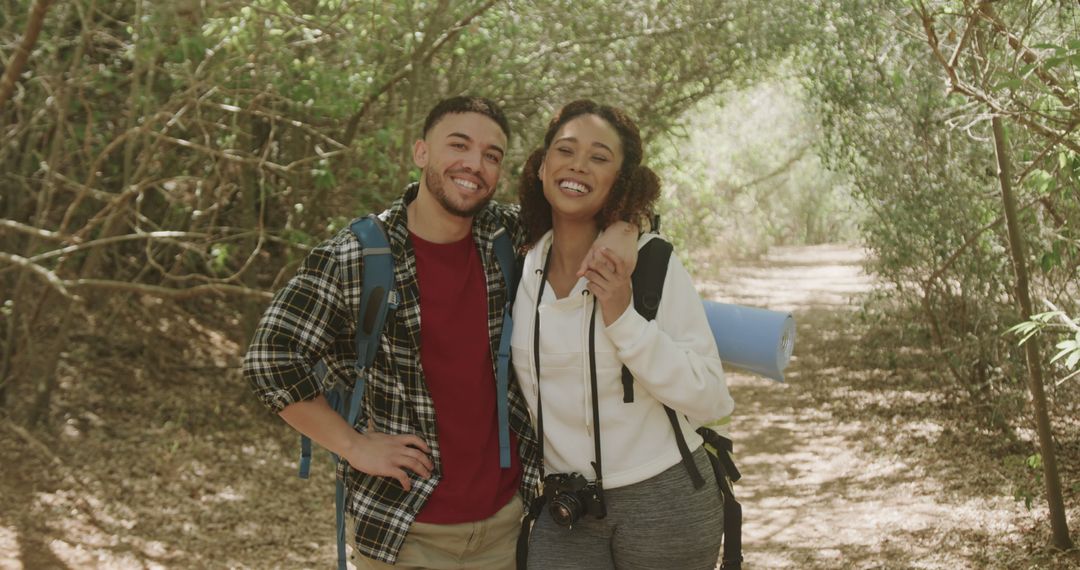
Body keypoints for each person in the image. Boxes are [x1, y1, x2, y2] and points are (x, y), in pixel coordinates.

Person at [244, 96, 636, 570]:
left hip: (508, 523)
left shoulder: (507, 236)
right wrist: (353, 445)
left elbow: (584, 206)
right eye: (459, 145)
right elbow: (270, 359)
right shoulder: (358, 256)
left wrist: (625, 227)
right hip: (404, 529)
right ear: (421, 152)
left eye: (492, 155)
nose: (475, 164)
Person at [510, 100, 735, 570]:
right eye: (565, 150)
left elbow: (713, 398)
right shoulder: (517, 265)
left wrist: (622, 316)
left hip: (664, 498)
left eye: (599, 157)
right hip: (565, 504)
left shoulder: (652, 263)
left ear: (621, 179)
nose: (577, 165)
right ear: (542, 166)